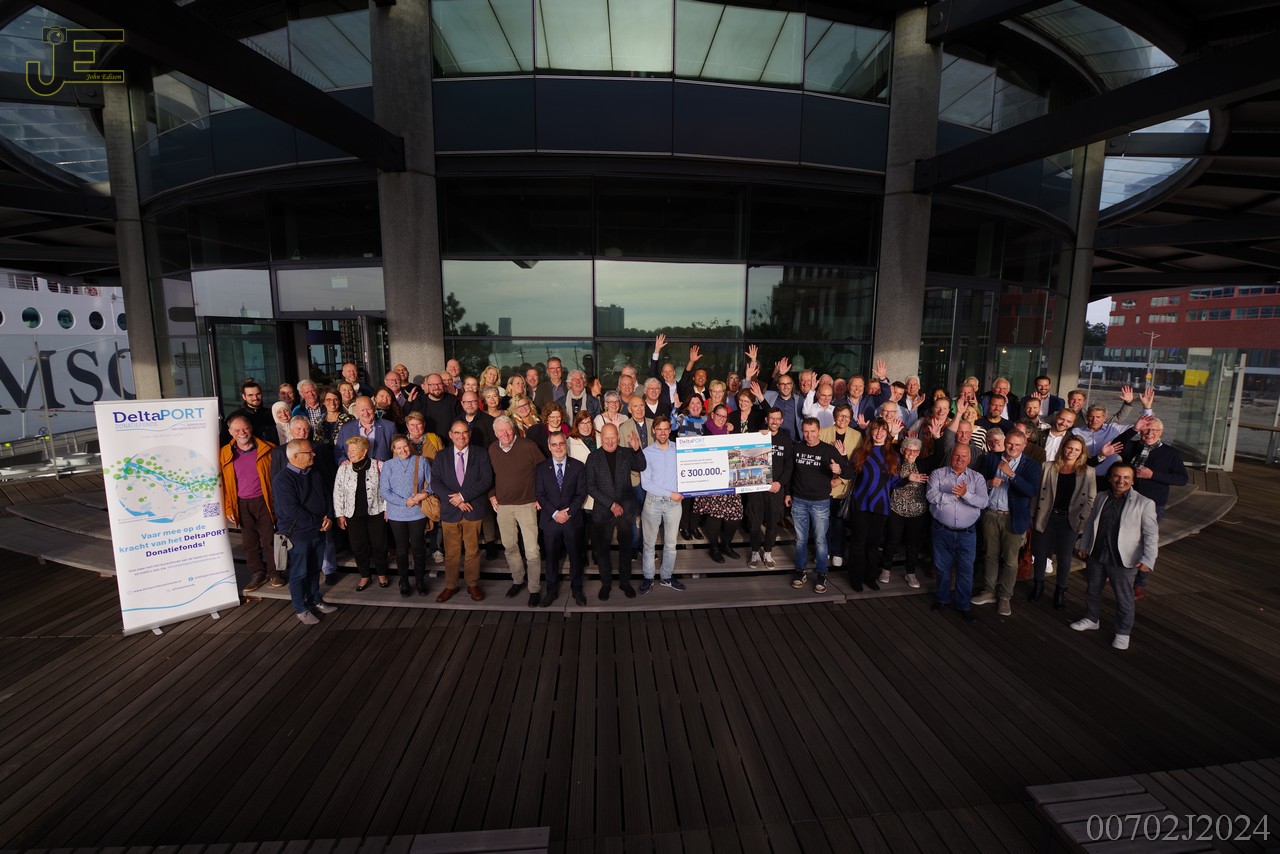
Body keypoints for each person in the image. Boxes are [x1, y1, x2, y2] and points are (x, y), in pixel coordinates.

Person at [1071, 464, 1158, 650]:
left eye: (1126, 477)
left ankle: (1123, 632)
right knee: (1092, 590)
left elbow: (1151, 534)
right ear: (1110, 478)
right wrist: (1084, 545)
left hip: (1123, 559)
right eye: (1117, 476)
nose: (1121, 481)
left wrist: (1148, 559)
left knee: (1124, 598)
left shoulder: (1144, 503)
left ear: (1133, 480)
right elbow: (1091, 523)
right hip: (1097, 554)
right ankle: (1092, 618)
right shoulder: (1101, 497)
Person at [1104, 415, 1187, 599]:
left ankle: (1139, 583)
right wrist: (1134, 429)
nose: (1149, 433)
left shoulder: (1170, 453)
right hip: (1125, 498)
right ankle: (1114, 572)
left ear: (1161, 432)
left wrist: (1153, 475)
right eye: (1146, 429)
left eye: (1154, 430)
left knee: (1146, 541)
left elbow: (1182, 479)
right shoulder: (1134, 446)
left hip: (1152, 504)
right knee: (1116, 535)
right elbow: (1117, 443)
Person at [972, 431, 1042, 616]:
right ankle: (989, 591)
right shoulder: (990, 458)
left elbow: (1031, 491)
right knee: (990, 555)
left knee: (1010, 560)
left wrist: (1012, 475)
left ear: (1024, 445)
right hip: (991, 514)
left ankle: (1005, 596)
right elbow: (976, 483)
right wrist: (989, 483)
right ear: (1005, 442)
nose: (1013, 447)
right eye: (1010, 443)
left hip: (1013, 517)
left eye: (1017, 445)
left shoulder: (1032, 465)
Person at [271, 438, 337, 625]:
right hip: (298, 535)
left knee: (315, 569)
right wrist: (318, 522)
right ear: (295, 456)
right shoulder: (282, 480)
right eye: (309, 452)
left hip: (319, 531)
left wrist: (329, 517)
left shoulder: (314, 473)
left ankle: (315, 599)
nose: (313, 454)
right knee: (299, 573)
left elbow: (326, 496)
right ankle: (301, 608)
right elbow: (292, 509)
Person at [431, 421, 494, 603]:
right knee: (451, 552)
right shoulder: (441, 456)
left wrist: (463, 496)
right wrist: (456, 500)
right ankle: (450, 585)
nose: (461, 436)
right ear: (450, 435)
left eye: (464, 432)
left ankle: (472, 584)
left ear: (469, 434)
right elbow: (435, 482)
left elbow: (486, 480)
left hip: (472, 509)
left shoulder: (481, 453)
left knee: (473, 550)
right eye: (457, 433)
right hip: (450, 511)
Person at [1031, 435, 1096, 610]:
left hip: (1069, 519)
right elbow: (1036, 493)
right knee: (1040, 554)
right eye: (1069, 448)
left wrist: (1082, 515)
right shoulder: (1048, 466)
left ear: (1081, 452)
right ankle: (1038, 586)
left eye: (1076, 449)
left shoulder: (1088, 471)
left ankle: (1060, 591)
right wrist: (1032, 515)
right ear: (1063, 448)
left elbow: (1091, 498)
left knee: (1065, 557)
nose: (1072, 452)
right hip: (1046, 516)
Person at [487, 415, 545, 608]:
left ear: (514, 429)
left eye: (508, 429)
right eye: (501, 431)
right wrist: (492, 495)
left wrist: (540, 495)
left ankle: (534, 588)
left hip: (527, 504)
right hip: (503, 506)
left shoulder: (528, 446)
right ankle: (518, 579)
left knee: (532, 550)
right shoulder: (492, 449)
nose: (505, 434)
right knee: (510, 546)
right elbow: (489, 475)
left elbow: (544, 470)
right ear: (495, 433)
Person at [926, 444, 988, 623]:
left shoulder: (977, 478)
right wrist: (952, 496)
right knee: (942, 567)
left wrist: (966, 494)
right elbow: (931, 496)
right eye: (957, 455)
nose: (960, 459)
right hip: (941, 530)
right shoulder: (938, 474)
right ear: (951, 456)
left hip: (967, 533)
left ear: (969, 459)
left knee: (966, 570)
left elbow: (983, 502)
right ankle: (942, 599)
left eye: (964, 456)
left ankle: (964, 605)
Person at [220, 414, 281, 593]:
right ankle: (257, 573)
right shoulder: (224, 453)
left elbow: (278, 478)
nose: (242, 432)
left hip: (264, 501)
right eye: (237, 430)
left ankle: (275, 573)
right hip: (241, 503)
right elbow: (223, 483)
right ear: (230, 432)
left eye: (245, 428)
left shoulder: (268, 449)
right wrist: (229, 507)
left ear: (251, 428)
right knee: (249, 543)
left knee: (270, 540)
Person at [587, 423, 647, 600]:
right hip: (603, 510)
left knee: (626, 548)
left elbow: (642, 466)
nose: (610, 441)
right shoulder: (593, 457)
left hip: (626, 509)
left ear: (618, 437)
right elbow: (590, 486)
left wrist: (636, 449)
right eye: (606, 438)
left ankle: (624, 582)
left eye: (613, 437)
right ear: (601, 438)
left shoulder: (626, 453)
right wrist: (611, 504)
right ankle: (606, 583)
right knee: (602, 549)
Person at [844, 418, 905, 592]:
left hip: (881, 507)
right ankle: (856, 578)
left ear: (887, 434)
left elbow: (895, 483)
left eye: (882, 430)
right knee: (858, 544)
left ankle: (870, 577)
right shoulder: (860, 453)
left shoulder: (893, 456)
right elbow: (849, 474)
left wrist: (909, 479)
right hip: (861, 505)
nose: (879, 433)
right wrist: (841, 458)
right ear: (870, 432)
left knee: (873, 545)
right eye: (876, 429)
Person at [788, 417, 844, 594]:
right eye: (805, 431)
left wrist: (839, 470)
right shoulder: (797, 448)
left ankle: (821, 574)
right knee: (800, 540)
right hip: (799, 501)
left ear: (819, 431)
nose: (809, 435)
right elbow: (790, 472)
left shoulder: (829, 450)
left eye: (812, 431)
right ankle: (800, 571)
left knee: (820, 540)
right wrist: (788, 493)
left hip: (820, 502)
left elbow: (849, 472)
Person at [535, 432, 588, 607]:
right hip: (551, 522)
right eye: (554, 444)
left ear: (566, 445)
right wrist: (555, 514)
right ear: (549, 447)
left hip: (572, 521)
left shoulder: (578, 466)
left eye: (561, 444)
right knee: (551, 558)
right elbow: (540, 495)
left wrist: (568, 513)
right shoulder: (541, 468)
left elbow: (581, 494)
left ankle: (577, 589)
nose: (558, 447)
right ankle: (551, 591)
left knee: (576, 557)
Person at [333, 434, 389, 591]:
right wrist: (340, 514)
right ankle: (364, 575)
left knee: (379, 545)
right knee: (358, 546)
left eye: (353, 450)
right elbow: (338, 492)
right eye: (348, 450)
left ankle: (382, 574)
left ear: (364, 451)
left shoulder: (379, 465)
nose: (349, 453)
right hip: (353, 515)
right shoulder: (343, 468)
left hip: (376, 512)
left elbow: (387, 489)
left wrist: (387, 508)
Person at [639, 415, 686, 594]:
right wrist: (671, 494)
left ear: (670, 430)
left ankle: (666, 577)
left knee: (671, 544)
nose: (663, 433)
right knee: (649, 544)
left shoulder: (679, 449)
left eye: (666, 429)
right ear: (654, 431)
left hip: (674, 504)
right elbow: (646, 483)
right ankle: (648, 577)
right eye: (659, 429)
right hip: (653, 502)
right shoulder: (647, 452)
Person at [380, 435, 432, 597]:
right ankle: (404, 581)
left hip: (417, 513)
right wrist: (405, 502)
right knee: (401, 550)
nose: (403, 450)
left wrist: (424, 495)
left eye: (405, 446)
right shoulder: (388, 465)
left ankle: (420, 580)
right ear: (394, 450)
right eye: (399, 448)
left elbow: (432, 483)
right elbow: (384, 491)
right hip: (397, 514)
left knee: (418, 548)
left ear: (409, 446)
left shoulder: (421, 461)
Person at [879, 436, 933, 588]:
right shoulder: (896, 463)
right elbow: (893, 484)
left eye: (915, 451)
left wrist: (935, 437)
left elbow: (940, 454)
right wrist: (908, 478)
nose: (912, 453)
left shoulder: (922, 464)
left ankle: (910, 573)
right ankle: (886, 569)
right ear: (902, 450)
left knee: (913, 544)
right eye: (909, 450)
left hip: (918, 510)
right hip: (897, 508)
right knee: (892, 540)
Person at [745, 407, 793, 569]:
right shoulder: (757, 436)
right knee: (754, 522)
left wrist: (780, 484)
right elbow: (745, 456)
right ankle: (754, 552)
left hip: (775, 488)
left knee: (772, 523)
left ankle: (767, 553)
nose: (774, 421)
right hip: (757, 488)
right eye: (772, 418)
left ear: (782, 421)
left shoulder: (786, 439)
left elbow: (789, 466)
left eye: (778, 419)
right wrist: (756, 438)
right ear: (766, 419)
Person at [819, 404, 860, 570]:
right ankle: (825, 551)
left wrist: (841, 479)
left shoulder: (857, 436)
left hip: (843, 487)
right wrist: (828, 479)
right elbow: (818, 459)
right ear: (834, 416)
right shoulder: (823, 432)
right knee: (823, 522)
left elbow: (856, 464)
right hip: (825, 484)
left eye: (847, 416)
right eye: (840, 415)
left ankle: (838, 552)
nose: (843, 419)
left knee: (839, 523)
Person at [335, 396, 396, 463]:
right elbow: (339, 450)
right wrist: (343, 460)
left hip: (383, 468)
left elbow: (396, 451)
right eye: (362, 410)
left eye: (369, 409)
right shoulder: (346, 429)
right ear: (357, 411)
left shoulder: (389, 427)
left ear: (374, 408)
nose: (366, 413)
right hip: (354, 468)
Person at [410, 373, 462, 443]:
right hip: (428, 444)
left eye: (439, 384)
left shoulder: (453, 401)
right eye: (433, 385)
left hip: (451, 443)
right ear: (428, 386)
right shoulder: (420, 401)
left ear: (443, 385)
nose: (436, 387)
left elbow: (460, 423)